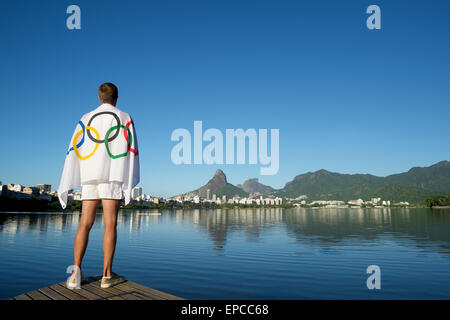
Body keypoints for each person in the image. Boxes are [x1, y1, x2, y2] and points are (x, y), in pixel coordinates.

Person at [58, 83, 140, 289]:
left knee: (85, 223)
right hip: (112, 175)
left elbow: (74, 147)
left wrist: (74, 175)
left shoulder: (85, 119)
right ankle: (107, 275)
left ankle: (76, 273)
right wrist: (128, 179)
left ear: (99, 97)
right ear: (117, 98)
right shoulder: (124, 117)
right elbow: (131, 148)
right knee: (110, 224)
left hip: (89, 176)